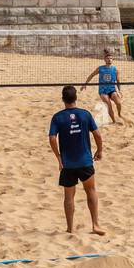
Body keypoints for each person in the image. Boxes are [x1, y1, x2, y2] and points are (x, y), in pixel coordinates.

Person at [48, 84, 106, 235]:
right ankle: (95, 224)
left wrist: (58, 157)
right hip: (85, 161)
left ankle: (70, 228)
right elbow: (98, 135)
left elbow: (52, 138)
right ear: (76, 98)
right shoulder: (85, 114)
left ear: (63, 99)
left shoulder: (58, 117)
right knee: (91, 191)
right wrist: (99, 151)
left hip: (68, 164)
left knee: (69, 196)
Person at [82, 49, 125, 125]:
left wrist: (119, 91)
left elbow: (118, 81)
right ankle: (114, 121)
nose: (109, 60)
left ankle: (119, 114)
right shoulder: (100, 68)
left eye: (111, 58)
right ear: (104, 59)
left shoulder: (115, 69)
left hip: (112, 89)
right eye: (108, 58)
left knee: (118, 103)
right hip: (103, 91)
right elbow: (92, 75)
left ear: (112, 59)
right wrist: (85, 84)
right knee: (109, 105)